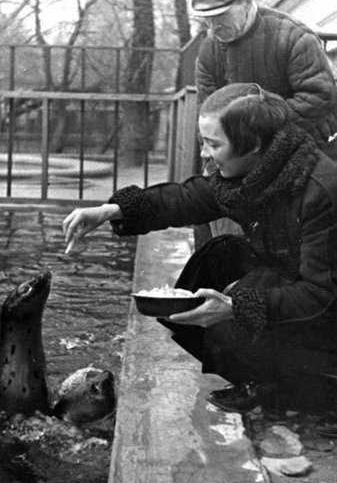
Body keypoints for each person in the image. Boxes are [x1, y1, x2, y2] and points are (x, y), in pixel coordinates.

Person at [63, 83, 337, 413]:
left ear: (253, 145)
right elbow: (186, 198)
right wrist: (112, 210)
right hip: (290, 278)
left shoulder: (320, 190)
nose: (204, 153)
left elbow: (320, 295)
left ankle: (283, 384)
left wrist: (236, 306)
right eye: (202, 142)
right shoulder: (260, 168)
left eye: (213, 144)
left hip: (326, 317)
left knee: (237, 311)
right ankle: (255, 371)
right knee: (219, 256)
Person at [191, 0, 337, 158]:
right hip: (241, 150)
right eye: (206, 19)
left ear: (248, 1)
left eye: (221, 16)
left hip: (299, 146)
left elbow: (318, 97)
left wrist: (255, 130)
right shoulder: (209, 50)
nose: (213, 27)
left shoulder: (294, 36)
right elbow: (206, 109)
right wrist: (213, 157)